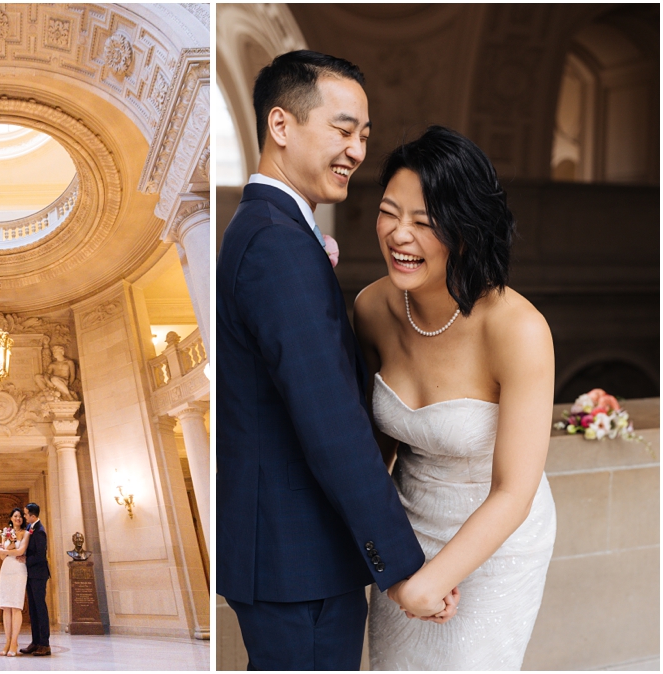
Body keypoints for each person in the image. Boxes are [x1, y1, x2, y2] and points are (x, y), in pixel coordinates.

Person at [217, 50, 457, 671]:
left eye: (364, 136)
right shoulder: (277, 244)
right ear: (281, 126)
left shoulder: (270, 229)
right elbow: (330, 422)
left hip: (289, 557)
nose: (356, 149)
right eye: (343, 129)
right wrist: (404, 569)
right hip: (301, 562)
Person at [354, 126, 557, 670]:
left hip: (497, 541)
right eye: (389, 212)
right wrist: (393, 564)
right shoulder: (372, 309)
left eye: (423, 223)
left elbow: (514, 490)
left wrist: (436, 581)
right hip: (406, 533)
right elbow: (374, 456)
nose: (399, 235)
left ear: (466, 230)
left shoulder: (518, 329)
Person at [0, 507, 31, 656]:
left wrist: (6, 550)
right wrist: (9, 542)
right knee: (6, 607)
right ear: (11, 518)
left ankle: (15, 642)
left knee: (16, 606)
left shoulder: (26, 533)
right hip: (6, 569)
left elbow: (20, 551)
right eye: (15, 516)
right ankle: (7, 641)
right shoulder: (5, 533)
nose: (18, 519)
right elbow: (2, 557)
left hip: (19, 569)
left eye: (20, 517)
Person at [19, 503, 51, 656]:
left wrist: (25, 559)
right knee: (32, 609)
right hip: (31, 575)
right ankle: (35, 641)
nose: (24, 517)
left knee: (40, 609)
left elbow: (40, 556)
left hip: (38, 575)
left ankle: (45, 644)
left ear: (32, 515)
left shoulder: (40, 531)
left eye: (25, 514)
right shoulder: (30, 528)